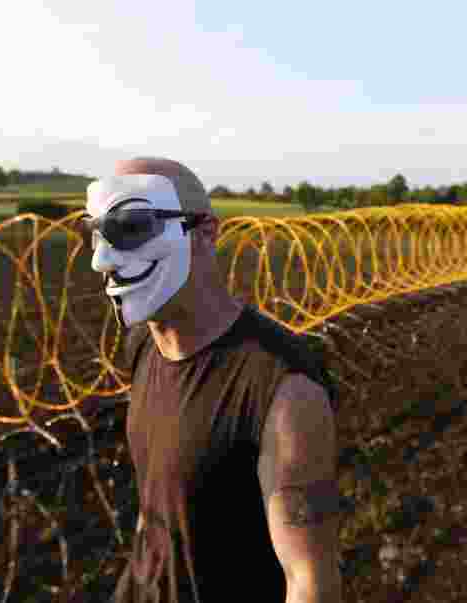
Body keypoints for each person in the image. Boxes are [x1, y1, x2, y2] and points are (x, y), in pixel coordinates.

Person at [84, 157, 345, 603]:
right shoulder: (143, 345)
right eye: (95, 232)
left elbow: (309, 582)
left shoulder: (283, 388)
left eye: (131, 227)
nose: (101, 260)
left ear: (205, 234)